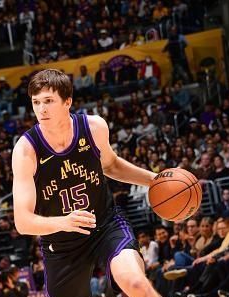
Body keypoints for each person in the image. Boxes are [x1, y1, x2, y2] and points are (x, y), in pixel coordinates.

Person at [12, 69, 159, 297]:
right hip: (62, 244)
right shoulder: (26, 150)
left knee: (136, 283)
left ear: (67, 101)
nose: (41, 109)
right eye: (36, 102)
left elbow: (111, 165)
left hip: (105, 225)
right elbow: (23, 222)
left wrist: (155, 180)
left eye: (49, 101)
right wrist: (64, 222)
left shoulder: (93, 127)